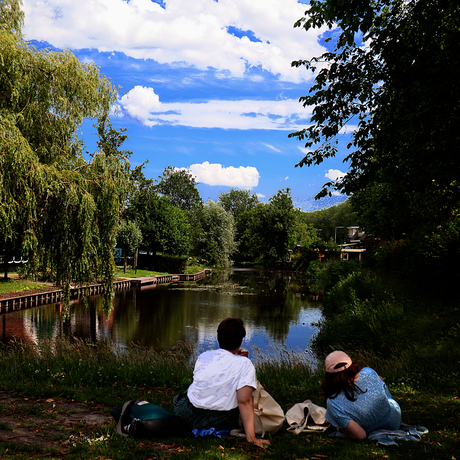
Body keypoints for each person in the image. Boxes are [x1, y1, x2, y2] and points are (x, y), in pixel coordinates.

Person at [173, 318, 270, 447]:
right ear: (240, 342)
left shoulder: (204, 356)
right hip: (222, 420)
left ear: (218, 338)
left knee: (180, 397)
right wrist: (251, 437)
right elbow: (244, 401)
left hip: (190, 415)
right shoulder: (245, 364)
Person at [321, 350, 401, 440]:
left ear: (329, 375)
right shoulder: (369, 372)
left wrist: (343, 430)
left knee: (344, 420)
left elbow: (361, 436)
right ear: (351, 365)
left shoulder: (333, 402)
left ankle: (342, 424)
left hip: (371, 429)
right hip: (395, 417)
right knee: (379, 379)